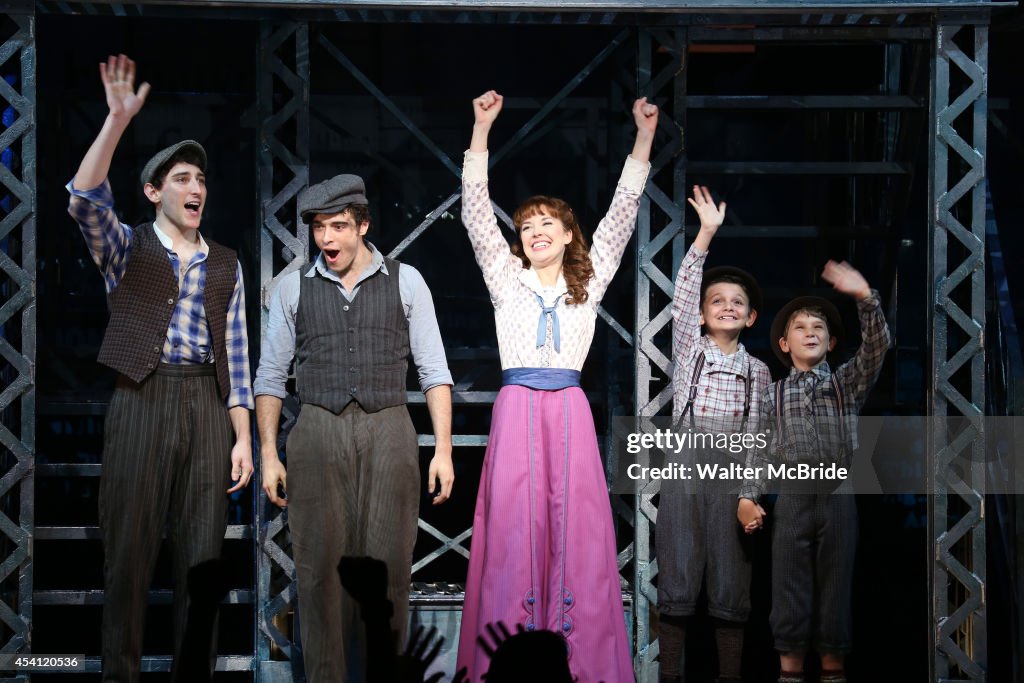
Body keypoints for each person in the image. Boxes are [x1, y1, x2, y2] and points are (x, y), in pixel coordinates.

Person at [456, 89, 658, 683]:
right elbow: (474, 209)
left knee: (574, 531)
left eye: (548, 223)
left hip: (568, 407)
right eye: (526, 225)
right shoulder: (504, 276)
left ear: (570, 234)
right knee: (516, 530)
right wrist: (481, 130)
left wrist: (643, 137)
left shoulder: (589, 281)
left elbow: (622, 212)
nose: (535, 230)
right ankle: (508, 659)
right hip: (518, 406)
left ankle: (582, 664)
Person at [65, 54, 255, 681]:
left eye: (199, 178)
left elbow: (235, 352)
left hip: (206, 405)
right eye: (180, 177)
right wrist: (117, 120)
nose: (195, 187)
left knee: (201, 564)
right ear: (154, 192)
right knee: (128, 561)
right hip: (140, 396)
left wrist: (243, 437)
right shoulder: (128, 246)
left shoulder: (225, 262)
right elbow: (85, 200)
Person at [254, 173, 455, 682]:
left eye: (338, 226)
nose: (327, 239)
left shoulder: (407, 281)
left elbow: (434, 371)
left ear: (363, 225)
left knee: (388, 571)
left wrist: (444, 449)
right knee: (319, 574)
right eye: (320, 228)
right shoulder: (291, 287)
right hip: (316, 431)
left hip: (389, 429)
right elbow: (270, 376)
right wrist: (270, 454)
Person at [740, 261, 890, 683]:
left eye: (818, 328)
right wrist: (749, 495)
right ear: (785, 343)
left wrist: (864, 297)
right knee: (789, 586)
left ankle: (832, 669)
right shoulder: (773, 393)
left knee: (835, 588)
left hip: (838, 494)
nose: (810, 332)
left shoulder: (845, 384)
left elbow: (876, 348)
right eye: (800, 327)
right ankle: (789, 671)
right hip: (792, 496)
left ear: (831, 341)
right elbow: (761, 451)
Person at [657, 187, 771, 683]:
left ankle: (729, 677)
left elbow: (760, 438)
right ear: (704, 315)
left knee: (731, 586)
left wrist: (749, 494)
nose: (727, 306)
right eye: (717, 300)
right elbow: (683, 295)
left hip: (731, 472)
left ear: (750, 318)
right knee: (678, 580)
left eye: (737, 302)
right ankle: (669, 676)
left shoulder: (759, 372)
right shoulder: (690, 350)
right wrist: (705, 234)